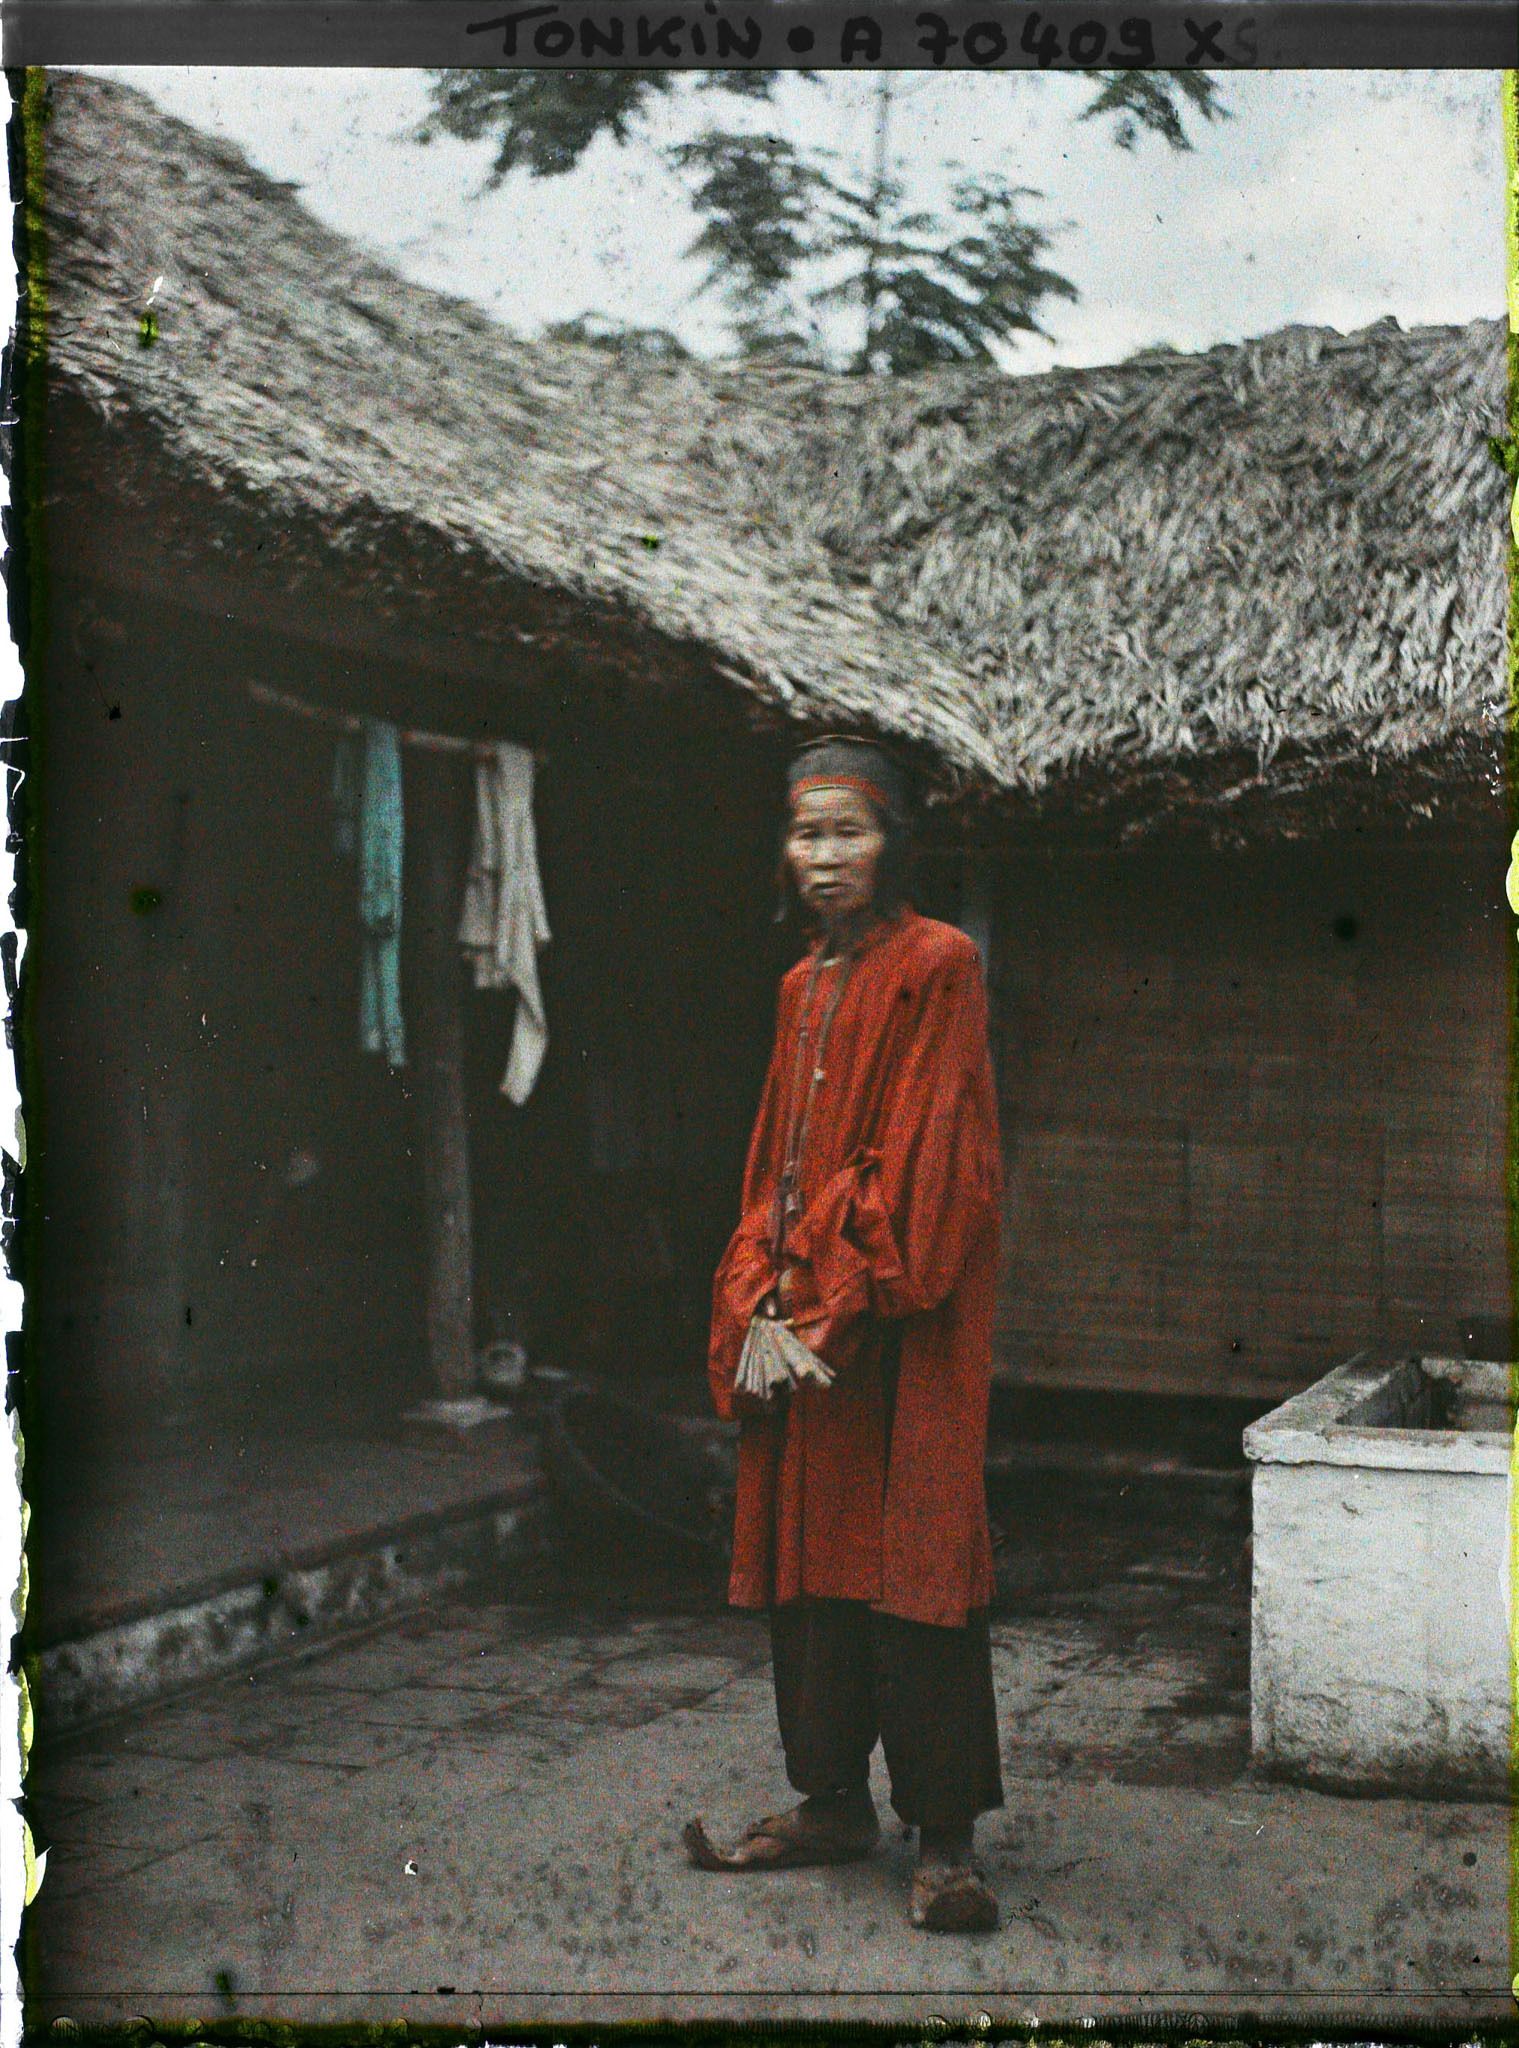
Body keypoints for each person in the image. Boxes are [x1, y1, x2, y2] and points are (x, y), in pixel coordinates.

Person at [682, 733, 1006, 1935]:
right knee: (810, 1554)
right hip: (809, 1319)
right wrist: (759, 1284)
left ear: (893, 840)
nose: (824, 857)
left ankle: (947, 1838)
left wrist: (827, 1278)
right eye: (806, 835)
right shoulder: (799, 985)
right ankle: (830, 1799)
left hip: (897, 1318)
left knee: (913, 1555)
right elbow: (775, 1159)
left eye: (847, 831)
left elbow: (937, 1164)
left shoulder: (942, 964)